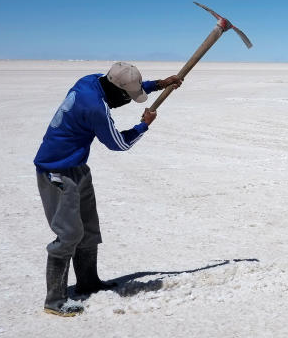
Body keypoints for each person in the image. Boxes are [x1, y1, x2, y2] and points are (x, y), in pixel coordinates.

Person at [33, 62, 182, 317]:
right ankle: (54, 300)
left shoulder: (91, 81)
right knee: (69, 234)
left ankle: (88, 282)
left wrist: (158, 85)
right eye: (127, 94)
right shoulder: (95, 108)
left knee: (89, 229)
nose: (127, 99)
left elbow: (117, 95)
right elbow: (119, 144)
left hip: (77, 166)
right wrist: (143, 125)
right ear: (116, 89)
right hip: (55, 170)